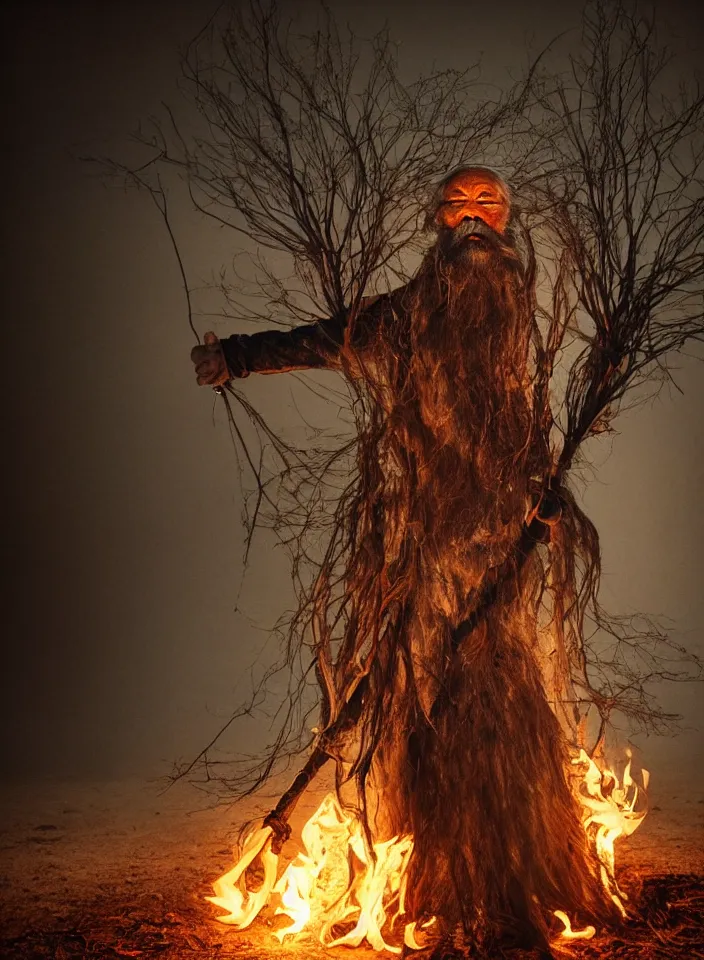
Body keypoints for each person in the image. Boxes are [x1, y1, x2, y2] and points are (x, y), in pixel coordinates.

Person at [191, 167, 614, 952]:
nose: (476, 217)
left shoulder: (514, 316)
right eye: (461, 205)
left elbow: (521, 419)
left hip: (504, 554)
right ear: (437, 220)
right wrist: (238, 357)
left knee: (505, 699)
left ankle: (517, 868)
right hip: (429, 548)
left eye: (491, 205)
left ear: (509, 222)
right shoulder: (409, 313)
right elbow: (328, 338)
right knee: (426, 700)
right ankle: (429, 875)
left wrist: (544, 496)